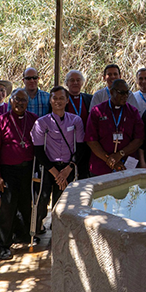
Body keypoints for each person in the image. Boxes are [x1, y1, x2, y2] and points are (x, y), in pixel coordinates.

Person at [0, 89, 39, 260]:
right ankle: (3, 244)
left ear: (28, 103)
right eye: (17, 99)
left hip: (28, 169)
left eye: (23, 100)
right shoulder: (0, 121)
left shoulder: (33, 119)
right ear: (10, 101)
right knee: (8, 207)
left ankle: (23, 234)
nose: (20, 103)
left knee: (26, 204)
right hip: (8, 171)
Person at [31, 86, 86, 237]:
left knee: (61, 201)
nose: (58, 101)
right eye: (55, 98)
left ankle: (58, 231)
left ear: (67, 100)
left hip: (67, 167)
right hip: (48, 167)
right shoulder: (41, 123)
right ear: (50, 100)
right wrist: (57, 174)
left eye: (62, 98)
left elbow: (80, 147)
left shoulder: (76, 121)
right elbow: (38, 151)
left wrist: (68, 169)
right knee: (42, 199)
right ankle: (37, 228)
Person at [85, 79, 144, 176]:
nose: (125, 96)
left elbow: (139, 139)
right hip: (101, 166)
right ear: (112, 92)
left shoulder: (133, 112)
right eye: (121, 93)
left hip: (126, 166)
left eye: (127, 93)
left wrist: (120, 154)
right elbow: (91, 140)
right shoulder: (97, 111)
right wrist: (109, 160)